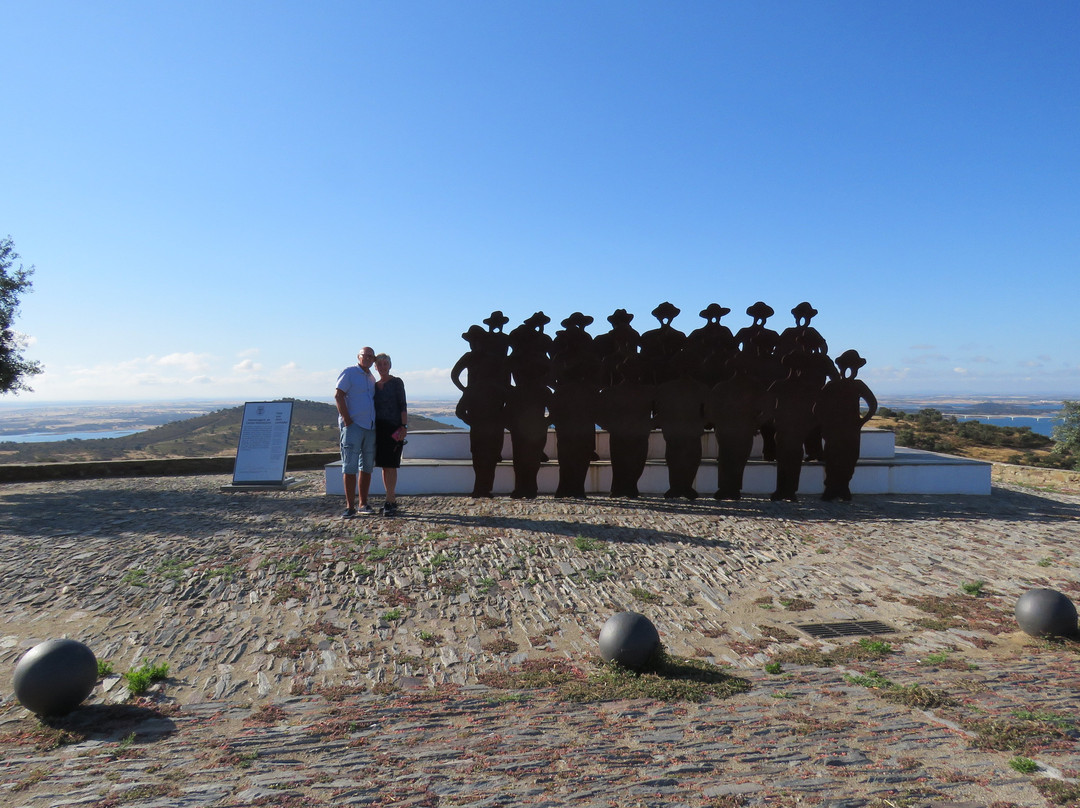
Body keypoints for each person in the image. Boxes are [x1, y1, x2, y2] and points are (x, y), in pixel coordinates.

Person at [334, 347, 377, 517]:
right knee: (350, 467)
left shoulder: (372, 378)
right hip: (353, 427)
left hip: (370, 428)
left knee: (367, 467)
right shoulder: (349, 372)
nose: (367, 358)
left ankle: (363, 504)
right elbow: (338, 395)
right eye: (364, 355)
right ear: (358, 357)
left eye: (370, 357)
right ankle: (349, 507)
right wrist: (347, 420)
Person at [373, 352, 408, 515]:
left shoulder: (396, 382)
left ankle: (390, 500)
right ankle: (390, 500)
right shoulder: (374, 385)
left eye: (385, 364)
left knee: (391, 465)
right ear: (375, 367)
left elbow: (402, 405)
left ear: (390, 365)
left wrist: (403, 427)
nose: (382, 367)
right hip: (379, 429)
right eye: (379, 364)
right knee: (384, 466)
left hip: (394, 429)